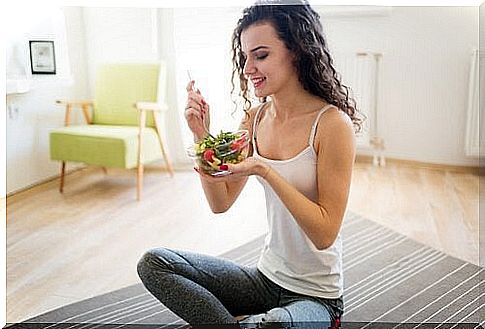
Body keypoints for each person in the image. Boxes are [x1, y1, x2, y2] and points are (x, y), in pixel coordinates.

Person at [137, 1, 363, 328]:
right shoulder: (254, 119)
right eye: (245, 57)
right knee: (154, 264)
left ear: (297, 51)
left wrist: (265, 170)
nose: (247, 68)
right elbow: (221, 201)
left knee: (275, 325)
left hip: (316, 297)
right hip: (265, 280)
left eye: (260, 55)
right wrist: (201, 135)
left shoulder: (332, 125)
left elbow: (325, 233)